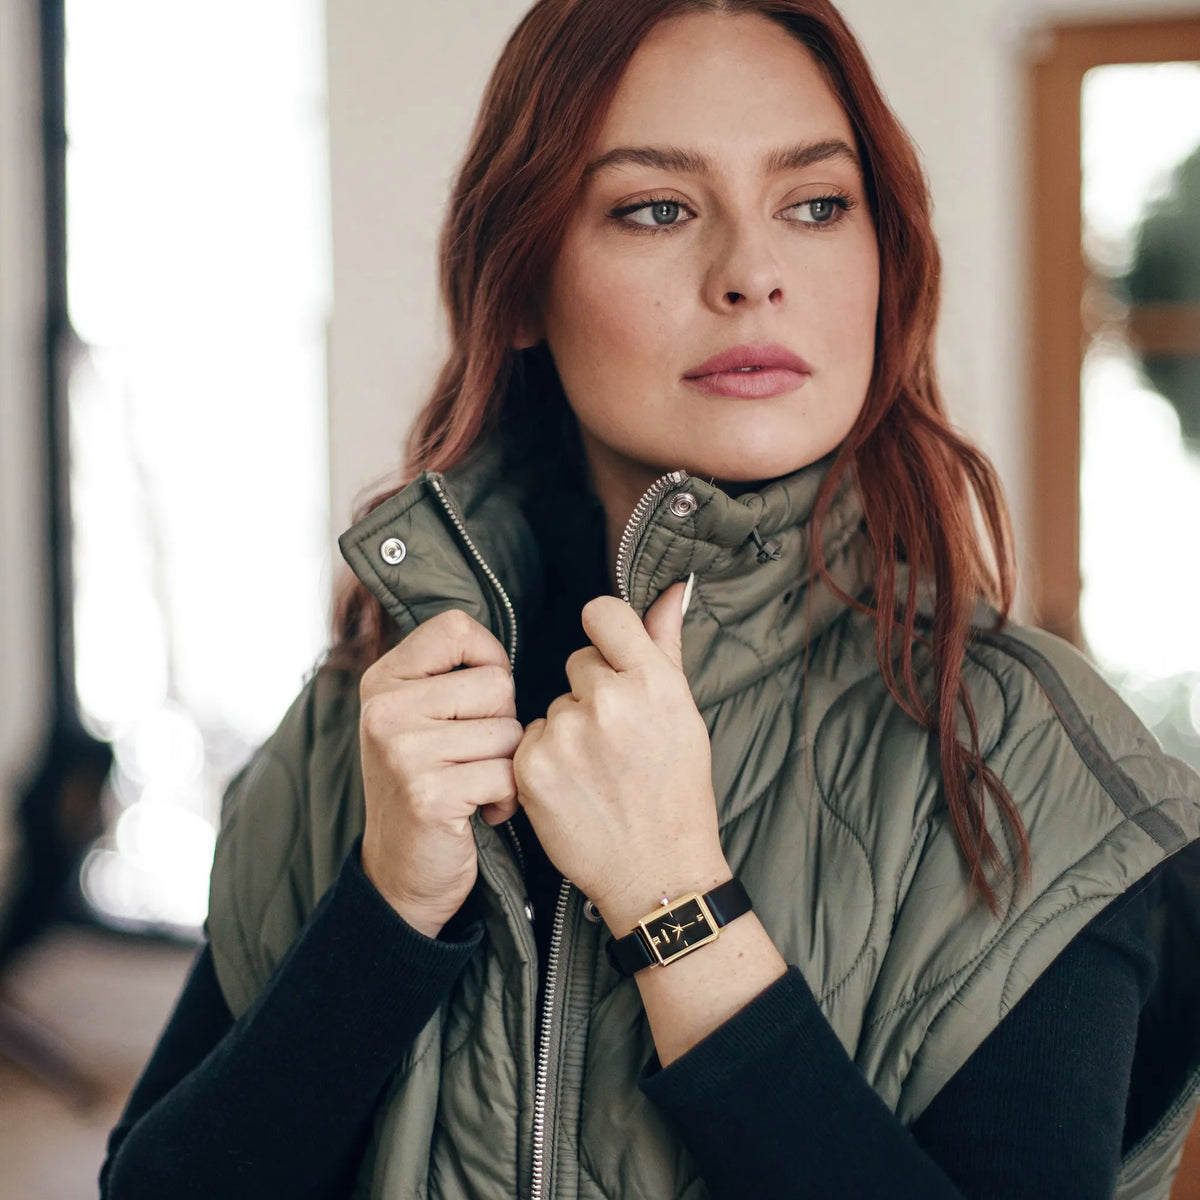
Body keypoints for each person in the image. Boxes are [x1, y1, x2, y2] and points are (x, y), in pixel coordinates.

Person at [100, 2, 1200, 1197]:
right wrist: (388, 910)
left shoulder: (1033, 769)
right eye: (657, 209)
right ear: (520, 282)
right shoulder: (367, 722)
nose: (753, 274)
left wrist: (678, 906)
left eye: (815, 204)